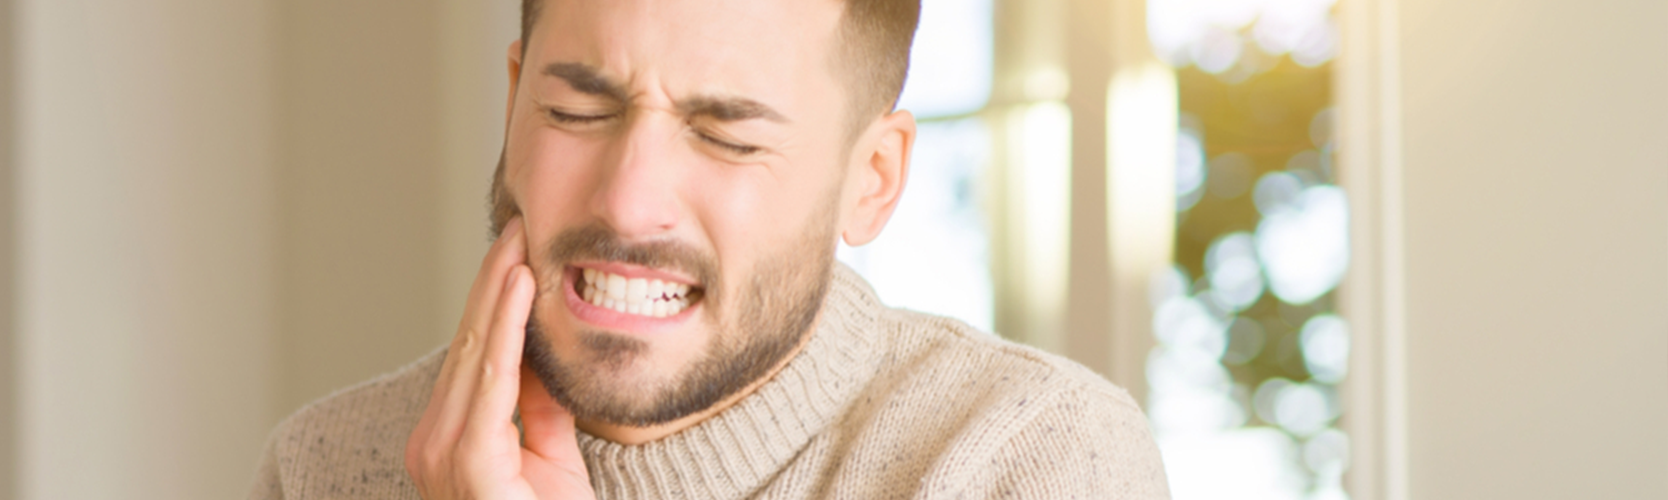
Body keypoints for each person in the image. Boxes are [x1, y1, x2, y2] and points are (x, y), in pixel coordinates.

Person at [247, 0, 1170, 497]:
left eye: (728, 136)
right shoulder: (326, 469)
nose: (627, 198)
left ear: (873, 179)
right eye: (576, 112)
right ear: (514, 104)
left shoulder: (1032, 459)